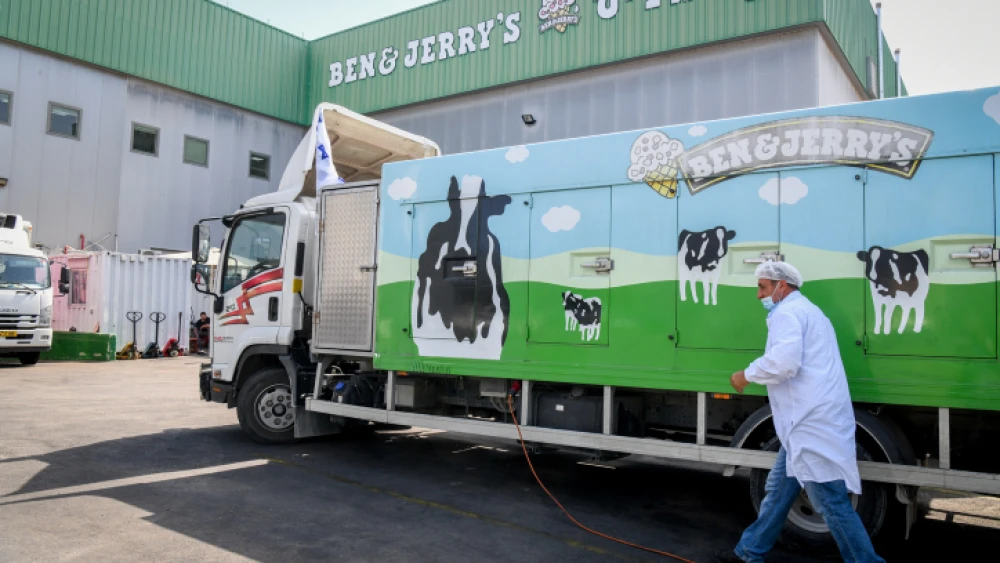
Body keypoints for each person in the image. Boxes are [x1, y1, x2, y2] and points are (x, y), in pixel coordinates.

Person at [712, 262, 884, 563]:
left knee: (830, 502)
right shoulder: (809, 311)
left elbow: (783, 362)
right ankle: (750, 551)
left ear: (783, 286)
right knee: (778, 490)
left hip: (811, 426)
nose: (758, 295)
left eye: (763, 287)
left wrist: (745, 375)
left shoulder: (788, 314)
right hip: (804, 425)